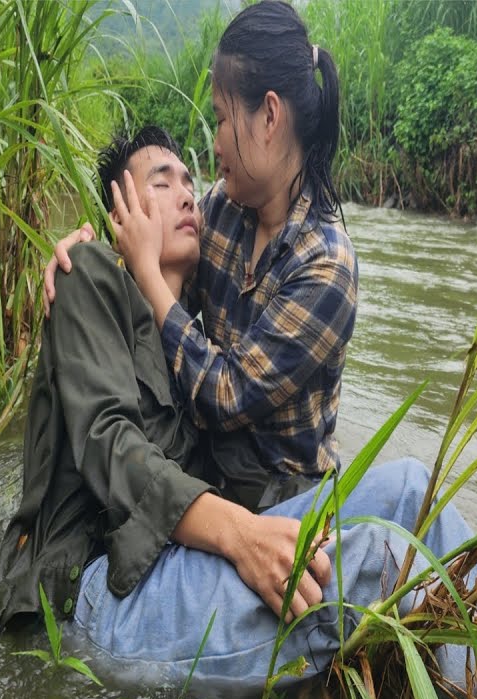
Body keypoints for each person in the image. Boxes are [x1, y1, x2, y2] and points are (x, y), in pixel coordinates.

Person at [0, 126, 477, 699]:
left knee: (410, 490)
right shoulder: (91, 274)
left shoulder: (186, 326)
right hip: (101, 585)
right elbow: (109, 443)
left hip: (182, 558)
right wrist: (242, 535)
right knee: (373, 563)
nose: (188, 195)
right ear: (120, 213)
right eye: (161, 182)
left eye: (189, 182)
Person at [46, 0, 355, 511]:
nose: (214, 147)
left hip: (285, 496)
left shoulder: (325, 265)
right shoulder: (222, 211)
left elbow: (225, 394)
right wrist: (81, 258)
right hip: (210, 472)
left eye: (221, 118)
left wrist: (144, 270)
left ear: (269, 117)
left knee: (407, 488)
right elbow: (152, 234)